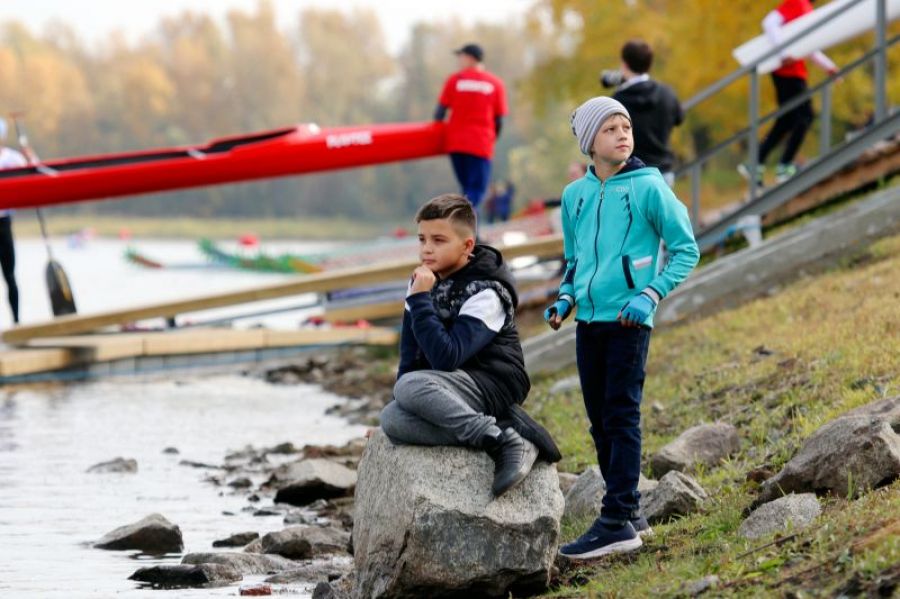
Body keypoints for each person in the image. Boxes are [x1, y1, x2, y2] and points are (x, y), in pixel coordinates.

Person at [544, 97, 699, 558]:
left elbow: (685, 249)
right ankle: (631, 515)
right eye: (610, 128)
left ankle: (616, 519)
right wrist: (566, 298)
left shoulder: (649, 186)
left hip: (630, 319)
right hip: (588, 321)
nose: (623, 134)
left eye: (626, 126)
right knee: (599, 423)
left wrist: (649, 293)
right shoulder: (574, 196)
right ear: (590, 142)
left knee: (621, 415)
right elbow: (574, 261)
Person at [380, 193, 560, 496]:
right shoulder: (423, 282)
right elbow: (410, 358)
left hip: (493, 382)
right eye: (422, 239)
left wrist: (420, 300)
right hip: (449, 385)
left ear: (467, 246)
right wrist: (403, 397)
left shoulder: (487, 291)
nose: (426, 249)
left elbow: (446, 357)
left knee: (410, 387)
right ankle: (502, 430)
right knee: (392, 418)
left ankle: (502, 439)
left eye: (438, 240)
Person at [739, 0, 838, 186]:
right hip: (788, 71)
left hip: (791, 71)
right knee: (805, 115)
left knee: (787, 120)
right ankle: (784, 165)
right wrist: (784, 53)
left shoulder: (806, 8)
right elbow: (769, 23)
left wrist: (828, 66)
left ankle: (756, 162)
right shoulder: (798, 2)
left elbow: (807, 45)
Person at [434, 44, 508, 212]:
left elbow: (439, 114)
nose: (459, 60)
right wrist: (491, 141)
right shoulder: (495, 84)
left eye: (460, 56)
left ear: (470, 58)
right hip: (480, 144)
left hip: (456, 145)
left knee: (467, 189)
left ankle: (470, 233)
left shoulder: (455, 80)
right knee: (476, 191)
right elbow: (499, 121)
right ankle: (460, 224)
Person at [610, 40, 684, 188]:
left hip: (631, 173)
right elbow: (679, 118)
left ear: (624, 64)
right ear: (649, 64)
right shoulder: (667, 93)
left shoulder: (618, 100)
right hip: (663, 172)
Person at [0, 118, 26, 324]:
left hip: (4, 222)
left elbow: (34, 171)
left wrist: (27, 150)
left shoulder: (13, 159)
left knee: (9, 275)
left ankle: (17, 321)